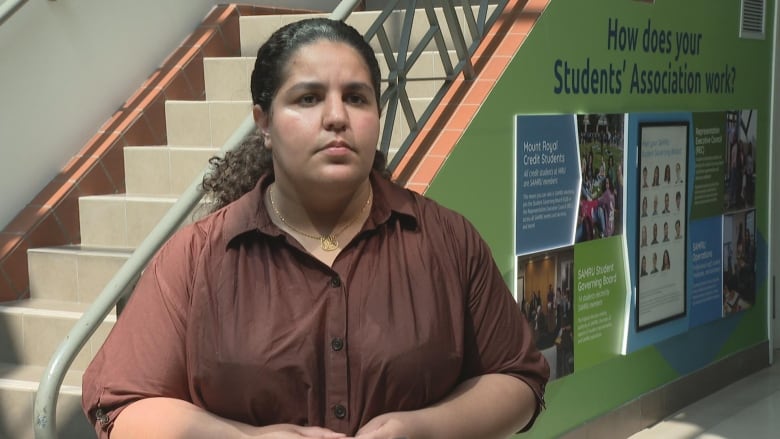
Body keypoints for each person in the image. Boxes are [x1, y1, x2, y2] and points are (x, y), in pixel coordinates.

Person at [81, 18, 548, 439]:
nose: (336, 117)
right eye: (308, 98)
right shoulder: (198, 257)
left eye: (356, 98)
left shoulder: (447, 241)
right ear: (263, 123)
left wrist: (427, 428)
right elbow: (123, 406)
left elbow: (519, 379)